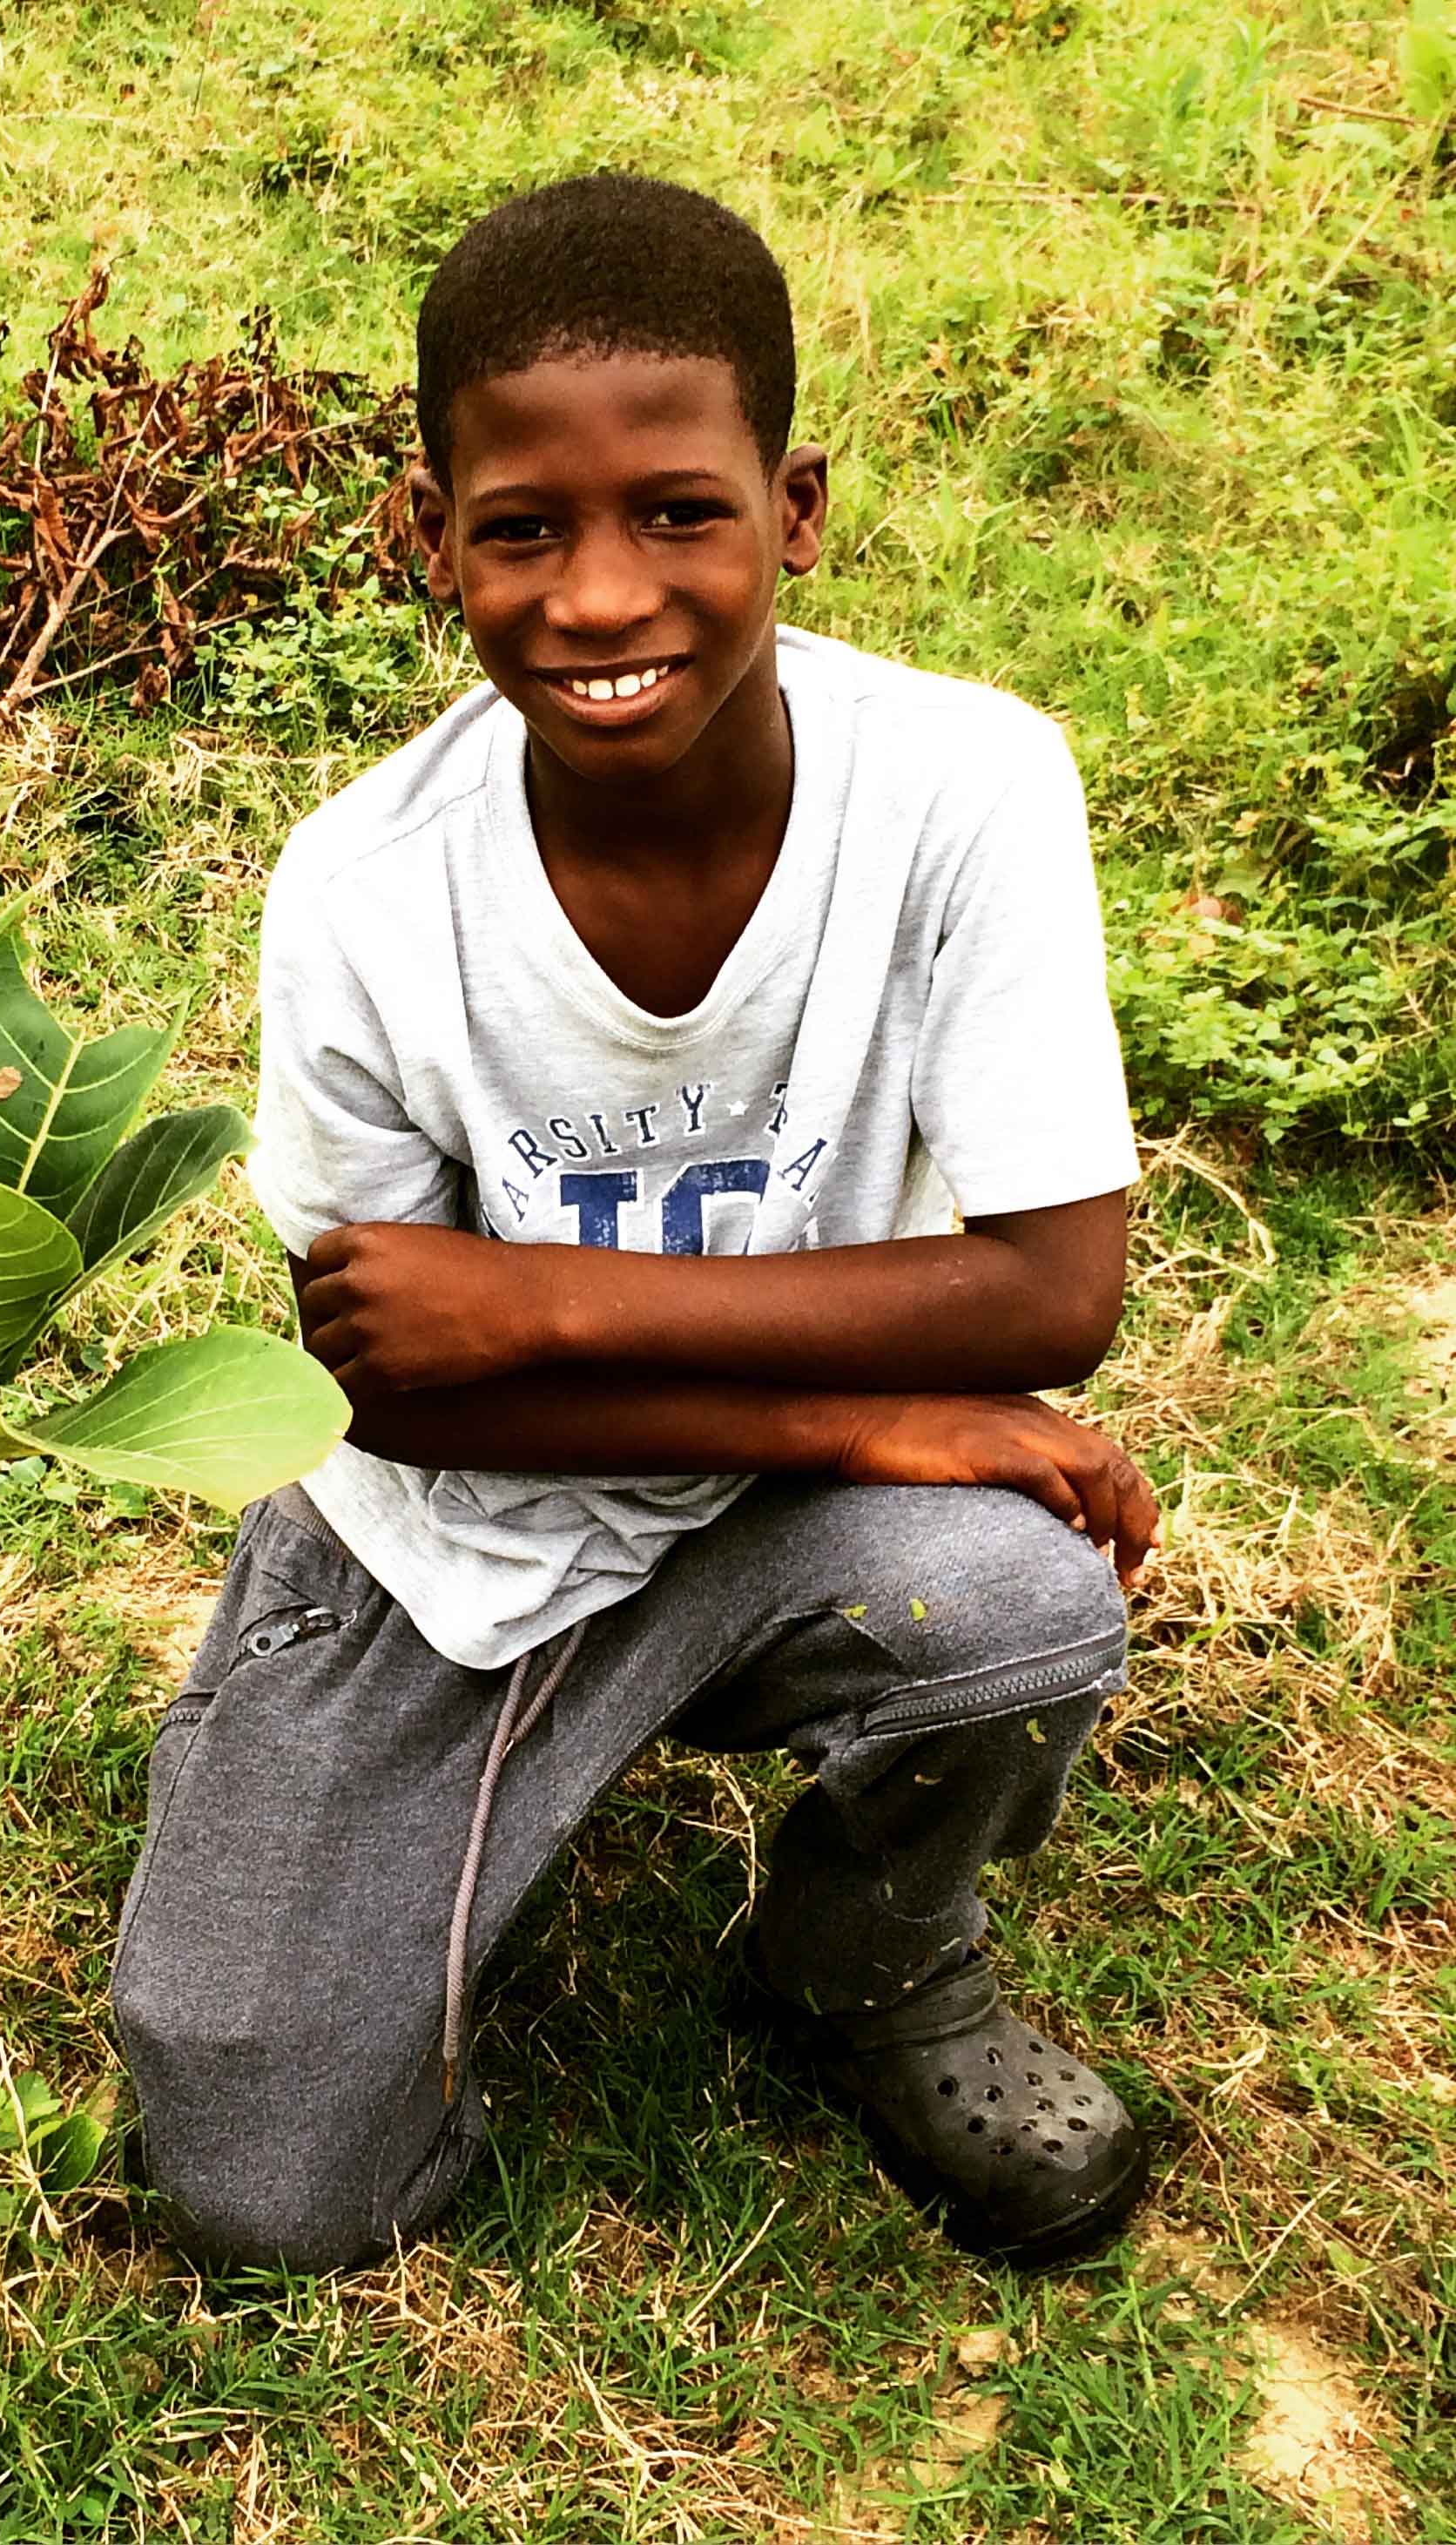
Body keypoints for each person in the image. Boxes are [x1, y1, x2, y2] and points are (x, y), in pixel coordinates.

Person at [114, 172, 1162, 2273]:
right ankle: (314, 1743)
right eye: (524, 529)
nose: (602, 597)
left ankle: (863, 1965)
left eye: (679, 512)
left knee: (1022, 1593)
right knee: (258, 2185)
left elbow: (1054, 1289)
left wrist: (538, 1300)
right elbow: (398, 1402)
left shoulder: (965, 790)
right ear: (432, 542)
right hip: (460, 1539)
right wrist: (871, 1414)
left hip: (762, 1529)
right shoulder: (363, 889)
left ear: (798, 506)